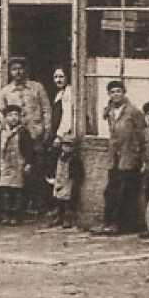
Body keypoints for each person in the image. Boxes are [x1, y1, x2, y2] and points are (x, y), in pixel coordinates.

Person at [1, 57, 52, 213]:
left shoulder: (37, 88)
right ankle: (20, 205)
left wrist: (45, 131)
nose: (18, 72)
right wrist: (7, 128)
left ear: (26, 70)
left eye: (20, 68)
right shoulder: (6, 91)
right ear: (10, 72)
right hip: (17, 137)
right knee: (19, 169)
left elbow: (46, 110)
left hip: (35, 134)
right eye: (14, 69)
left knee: (37, 168)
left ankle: (39, 204)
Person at [95, 80, 146, 235]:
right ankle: (107, 222)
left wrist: (142, 158)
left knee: (126, 192)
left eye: (118, 91)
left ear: (124, 93)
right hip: (115, 158)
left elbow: (142, 135)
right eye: (112, 92)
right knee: (111, 191)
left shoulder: (133, 112)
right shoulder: (110, 111)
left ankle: (121, 225)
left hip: (130, 157)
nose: (116, 94)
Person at [46, 66, 82, 228]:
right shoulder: (59, 94)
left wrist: (60, 136)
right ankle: (57, 211)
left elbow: (68, 116)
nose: (58, 80)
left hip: (65, 137)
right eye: (55, 77)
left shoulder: (69, 93)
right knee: (56, 177)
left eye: (61, 76)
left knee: (67, 178)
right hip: (58, 135)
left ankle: (66, 213)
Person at [0, 103, 33, 226]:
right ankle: (5, 214)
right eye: (10, 115)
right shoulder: (0, 132)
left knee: (17, 191)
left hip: (18, 163)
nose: (13, 118)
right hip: (4, 163)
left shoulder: (23, 132)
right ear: (5, 117)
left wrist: (28, 163)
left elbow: (29, 149)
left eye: (16, 115)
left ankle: (16, 215)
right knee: (5, 191)